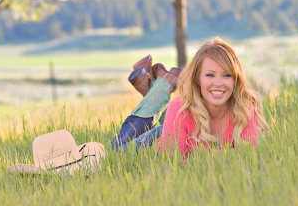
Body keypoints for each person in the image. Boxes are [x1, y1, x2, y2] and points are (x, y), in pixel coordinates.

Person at [111, 37, 268, 157]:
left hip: (176, 126)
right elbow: (174, 161)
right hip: (157, 140)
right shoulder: (180, 108)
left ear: (236, 79)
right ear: (197, 79)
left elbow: (248, 154)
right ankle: (160, 87)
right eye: (209, 75)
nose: (218, 83)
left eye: (227, 75)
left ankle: (159, 86)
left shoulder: (244, 108)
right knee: (115, 152)